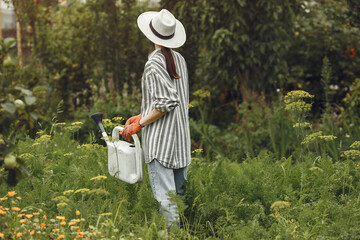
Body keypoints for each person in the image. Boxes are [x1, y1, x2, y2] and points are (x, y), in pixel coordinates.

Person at [121, 9, 191, 227]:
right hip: (180, 141)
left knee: (167, 201)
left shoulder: (153, 63)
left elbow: (166, 103)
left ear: (150, 35)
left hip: (161, 144)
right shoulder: (179, 59)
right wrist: (141, 114)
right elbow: (171, 100)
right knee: (177, 198)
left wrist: (139, 125)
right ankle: (182, 233)